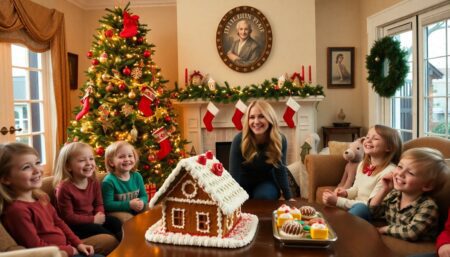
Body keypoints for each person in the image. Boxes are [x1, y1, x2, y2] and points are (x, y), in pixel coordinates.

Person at [0, 142, 100, 257]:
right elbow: (35, 246)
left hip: (68, 247)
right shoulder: (16, 211)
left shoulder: (41, 198)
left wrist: (78, 243)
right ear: (6, 179)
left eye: (37, 163)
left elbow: (59, 222)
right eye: (26, 167)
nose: (37, 170)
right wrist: (70, 250)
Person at [368, 148, 449, 243]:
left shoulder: (428, 206)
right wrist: (384, 190)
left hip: (419, 246)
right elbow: (373, 212)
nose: (400, 174)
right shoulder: (394, 194)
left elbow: (411, 233)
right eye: (400, 167)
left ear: (427, 186)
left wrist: (385, 229)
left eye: (410, 173)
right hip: (396, 240)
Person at [322, 124, 402, 217]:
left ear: (389, 147)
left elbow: (370, 205)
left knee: (360, 209)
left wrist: (337, 201)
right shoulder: (362, 164)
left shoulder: (389, 172)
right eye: (367, 137)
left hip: (371, 211)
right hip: (356, 207)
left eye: (375, 138)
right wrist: (345, 193)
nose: (368, 140)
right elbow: (356, 189)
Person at [53, 142, 122, 241]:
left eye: (91, 159)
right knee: (100, 230)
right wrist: (93, 220)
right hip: (75, 226)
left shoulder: (93, 181)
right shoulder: (64, 188)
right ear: (68, 166)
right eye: (81, 160)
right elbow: (68, 217)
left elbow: (99, 203)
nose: (89, 163)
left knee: (115, 222)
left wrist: (100, 215)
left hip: (93, 218)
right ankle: (116, 245)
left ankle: (126, 243)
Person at [229, 100, 293, 200]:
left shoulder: (280, 140)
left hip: (266, 183)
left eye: (261, 116)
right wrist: (231, 199)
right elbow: (234, 175)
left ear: (270, 119)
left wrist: (289, 198)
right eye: (252, 117)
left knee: (263, 196)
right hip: (243, 183)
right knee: (239, 199)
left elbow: (280, 170)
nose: (256, 121)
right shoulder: (239, 140)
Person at [102, 141, 148, 217]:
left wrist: (141, 202)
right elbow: (107, 205)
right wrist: (129, 205)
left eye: (130, 156)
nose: (127, 159)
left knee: (151, 208)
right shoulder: (109, 181)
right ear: (111, 162)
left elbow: (144, 195)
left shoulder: (137, 176)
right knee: (126, 218)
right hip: (119, 212)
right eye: (121, 157)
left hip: (136, 208)